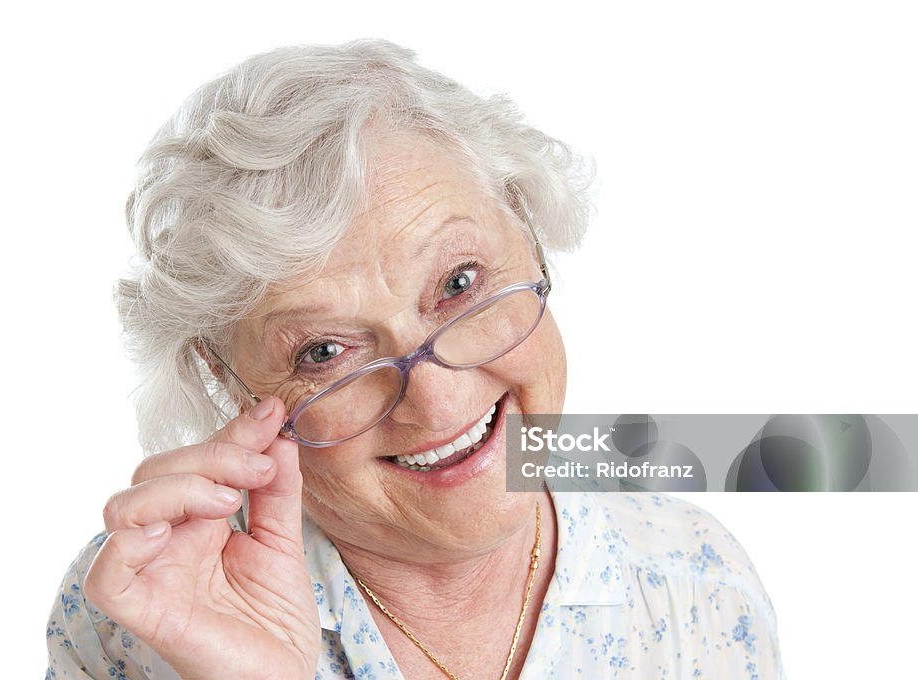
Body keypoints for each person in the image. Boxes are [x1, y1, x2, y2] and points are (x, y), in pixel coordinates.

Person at [46, 40, 784, 679]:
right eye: (325, 351)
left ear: (527, 229)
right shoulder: (141, 610)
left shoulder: (696, 583)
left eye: (460, 284)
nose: (434, 399)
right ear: (224, 379)